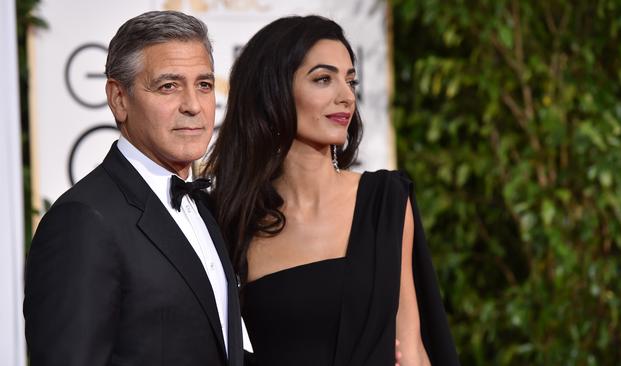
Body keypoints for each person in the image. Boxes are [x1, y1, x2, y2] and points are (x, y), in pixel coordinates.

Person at [202, 15, 459, 365]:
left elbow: (411, 346)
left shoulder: (385, 201)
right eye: (323, 79)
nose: (346, 97)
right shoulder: (231, 218)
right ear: (273, 91)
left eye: (350, 81)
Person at [24, 11, 243, 366]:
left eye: (204, 85)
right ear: (119, 98)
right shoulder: (82, 221)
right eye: (168, 86)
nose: (193, 105)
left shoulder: (205, 207)